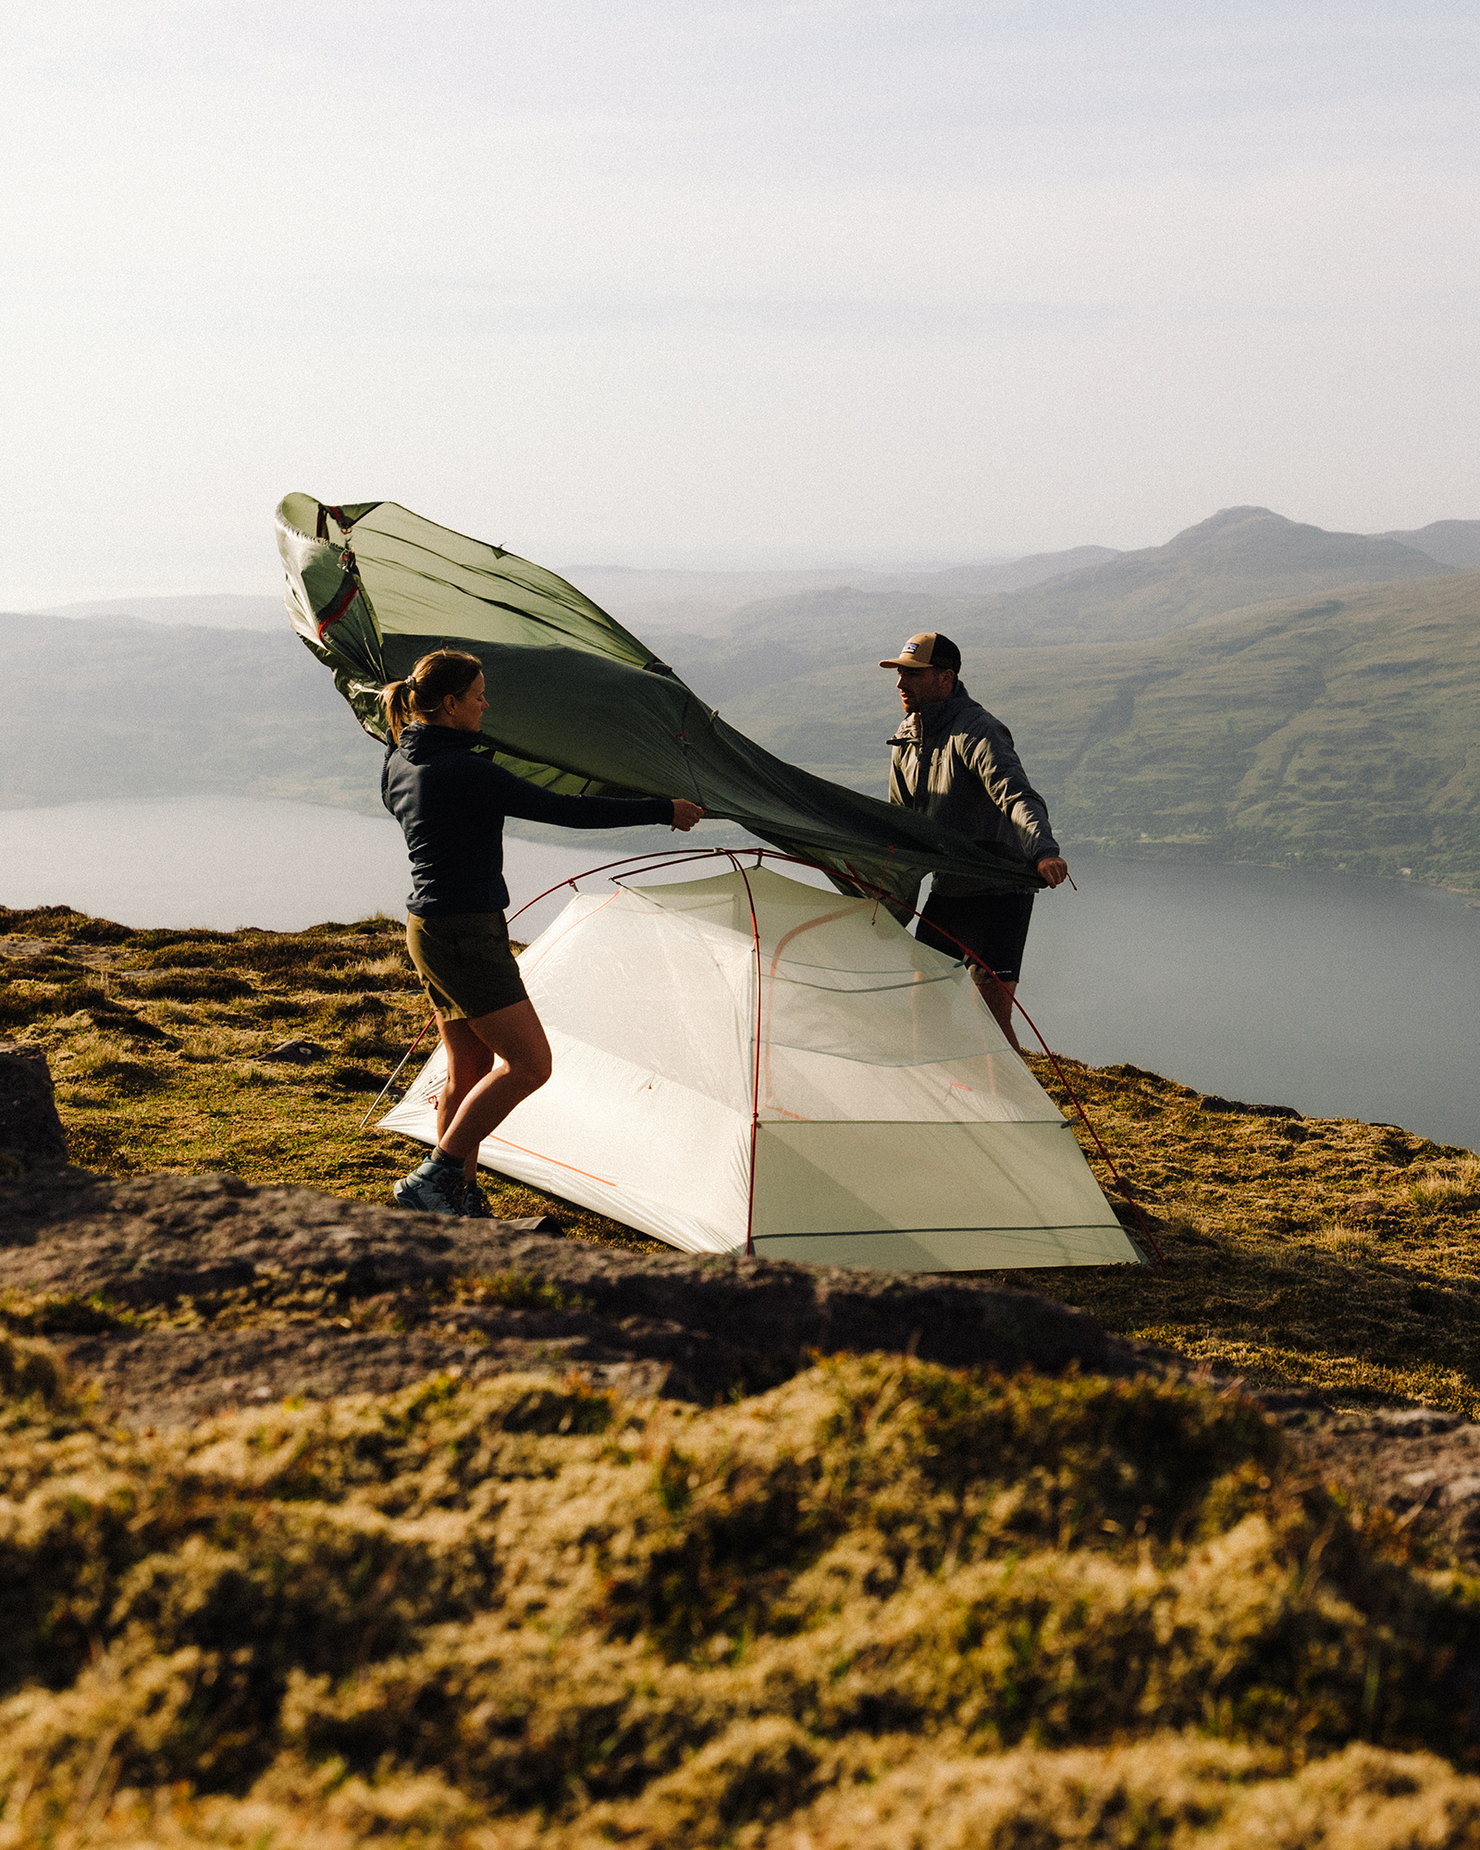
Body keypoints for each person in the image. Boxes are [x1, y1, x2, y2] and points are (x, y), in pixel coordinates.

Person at [380, 648, 704, 1215]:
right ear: (451, 704)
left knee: (469, 1069)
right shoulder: (465, 770)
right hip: (464, 931)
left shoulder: (400, 761)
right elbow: (566, 811)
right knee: (530, 1065)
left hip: (430, 927)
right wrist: (660, 810)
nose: (487, 704)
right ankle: (435, 1178)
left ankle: (456, 1193)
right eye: (478, 695)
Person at [879, 631, 1068, 1051]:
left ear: (945, 679)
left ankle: (1016, 1112)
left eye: (912, 674)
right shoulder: (908, 737)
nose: (900, 684)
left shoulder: (978, 731)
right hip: (950, 889)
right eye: (899, 674)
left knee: (990, 1020)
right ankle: (947, 1099)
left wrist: (1043, 851)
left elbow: (1015, 793)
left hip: (1000, 890)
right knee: (924, 1001)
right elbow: (899, 822)